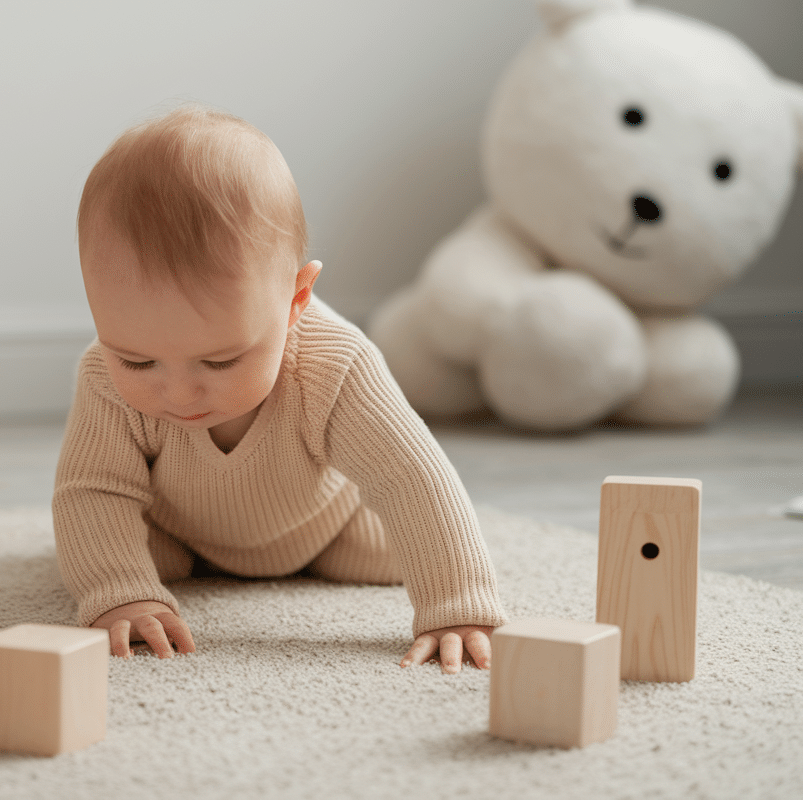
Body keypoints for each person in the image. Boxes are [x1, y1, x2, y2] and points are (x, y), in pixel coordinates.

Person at [53, 104, 507, 673]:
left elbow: (410, 477)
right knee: (99, 556)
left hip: (326, 531)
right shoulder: (102, 377)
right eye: (138, 361)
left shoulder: (335, 363)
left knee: (416, 544)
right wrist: (121, 590)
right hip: (179, 535)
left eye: (220, 360)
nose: (180, 393)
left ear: (295, 300)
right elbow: (93, 492)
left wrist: (456, 606)